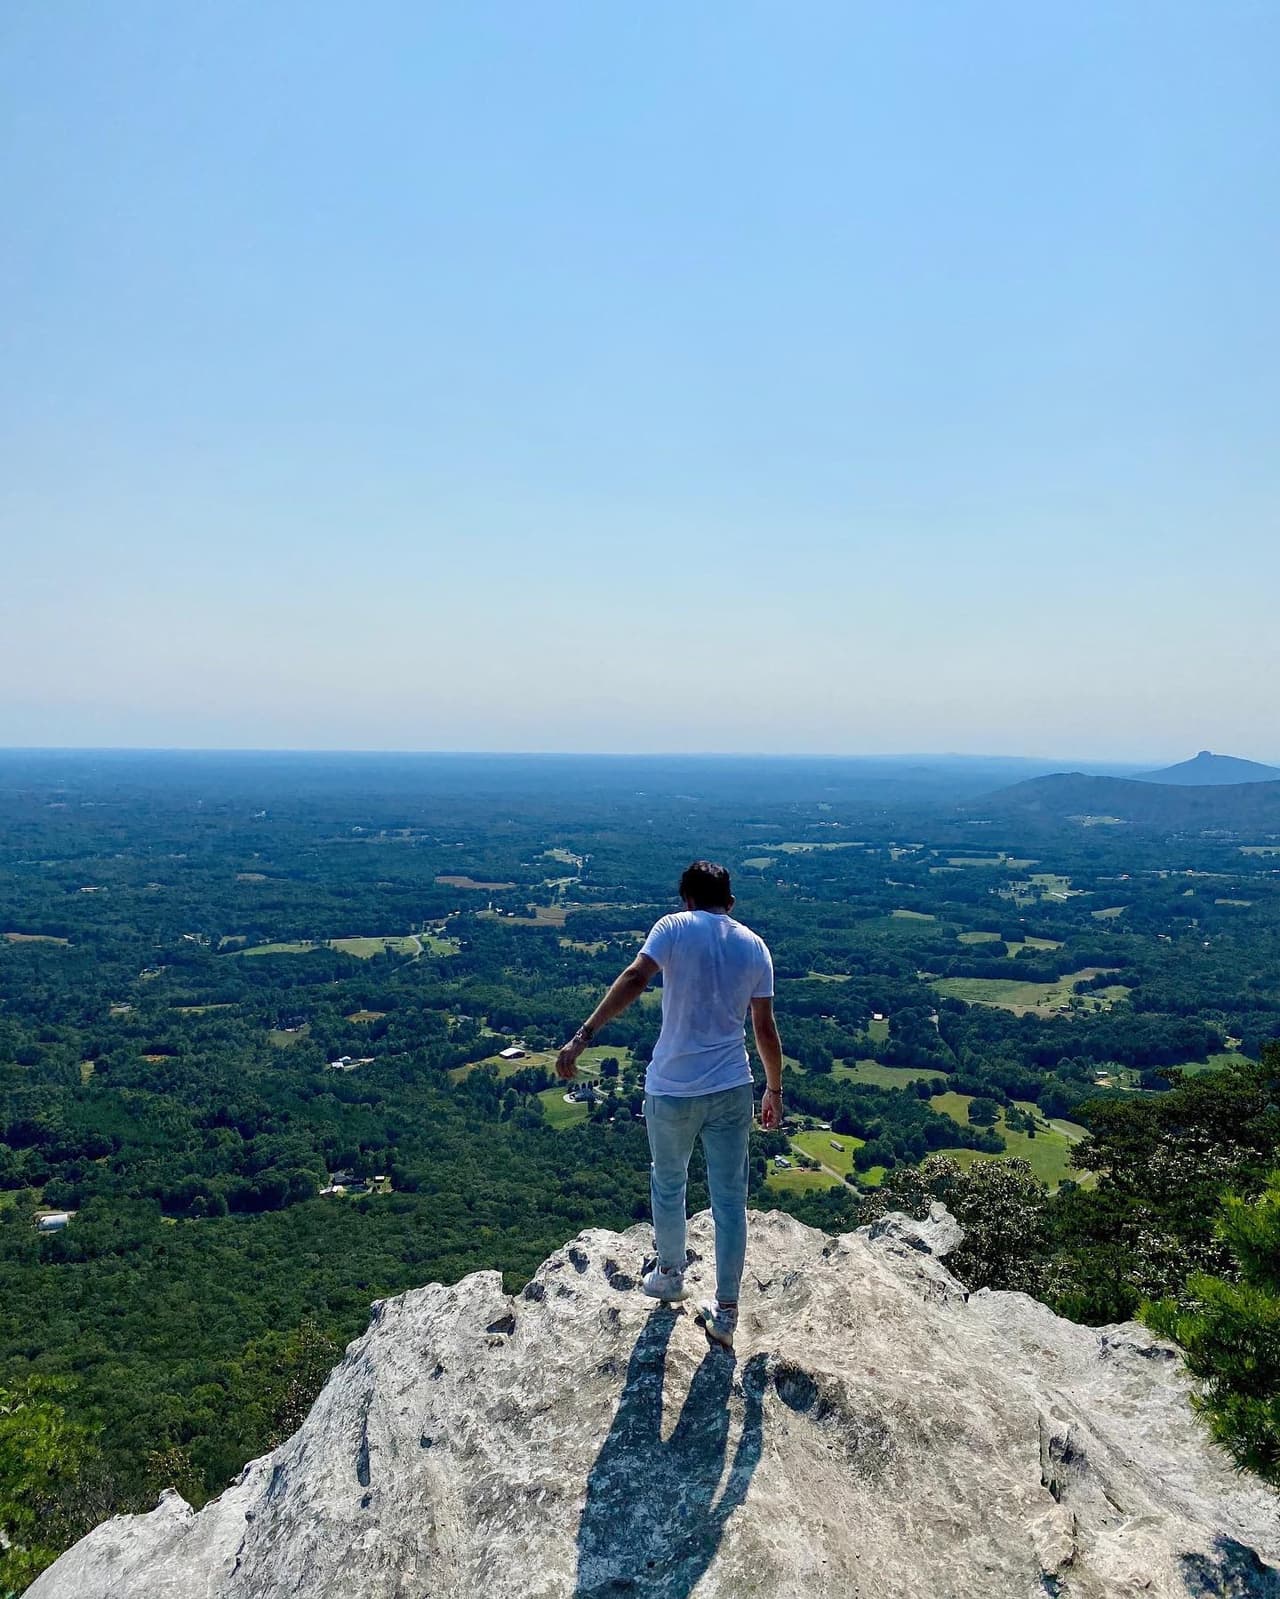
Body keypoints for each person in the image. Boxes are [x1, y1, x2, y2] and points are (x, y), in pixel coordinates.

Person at [556, 860, 785, 1350]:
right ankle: (725, 1312)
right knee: (729, 1200)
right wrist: (774, 1089)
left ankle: (670, 1274)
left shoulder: (673, 928)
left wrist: (582, 1038)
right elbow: (764, 1030)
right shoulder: (754, 946)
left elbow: (636, 978)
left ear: (686, 899)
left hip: (672, 1086)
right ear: (731, 902)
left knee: (668, 1181)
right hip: (731, 1086)